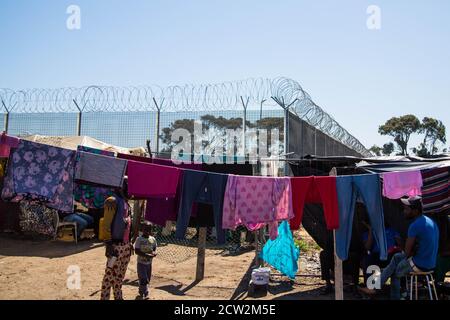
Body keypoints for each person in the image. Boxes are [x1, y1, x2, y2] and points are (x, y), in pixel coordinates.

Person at [359, 196, 439, 299]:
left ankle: (384, 292)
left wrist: (406, 249)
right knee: (396, 257)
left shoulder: (414, 226)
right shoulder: (431, 222)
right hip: (431, 263)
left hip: (419, 264)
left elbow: (406, 253)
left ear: (415, 211)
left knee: (395, 271)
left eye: (406, 209)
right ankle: (375, 287)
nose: (404, 211)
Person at [100, 183, 133, 300]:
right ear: (121, 186)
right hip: (115, 246)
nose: (131, 190)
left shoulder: (126, 203)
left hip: (125, 246)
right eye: (128, 186)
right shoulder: (112, 201)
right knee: (109, 277)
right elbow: (106, 224)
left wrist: (129, 244)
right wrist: (108, 245)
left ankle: (118, 297)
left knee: (119, 276)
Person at [134, 221, 157, 300]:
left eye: (149, 229)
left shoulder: (152, 239)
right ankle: (145, 293)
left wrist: (153, 253)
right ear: (142, 230)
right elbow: (136, 251)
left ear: (151, 230)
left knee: (147, 278)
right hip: (141, 263)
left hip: (149, 264)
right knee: (143, 278)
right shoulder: (139, 239)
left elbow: (154, 248)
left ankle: (142, 290)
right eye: (145, 229)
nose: (147, 231)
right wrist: (146, 255)